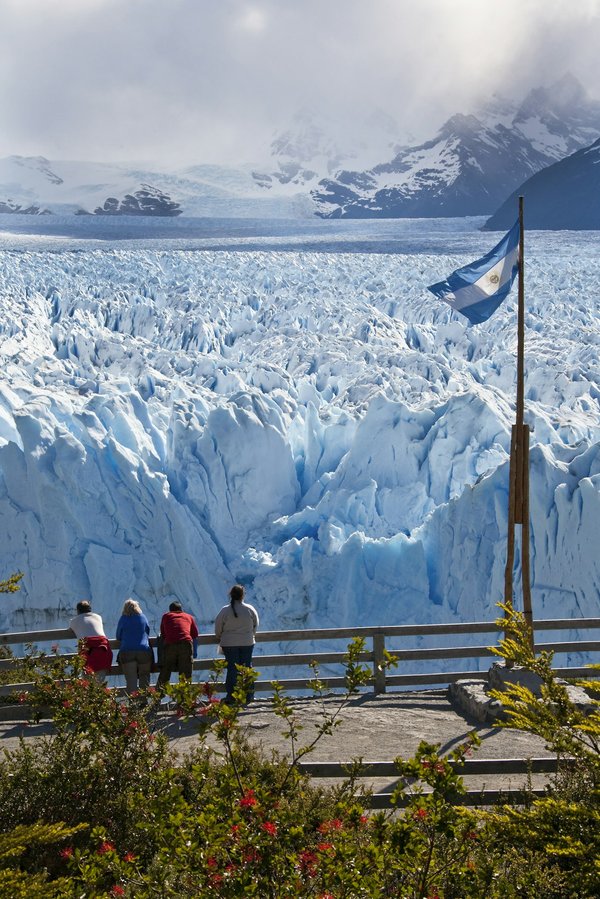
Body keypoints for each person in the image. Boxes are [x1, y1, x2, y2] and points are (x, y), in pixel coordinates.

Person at [214, 585, 259, 704]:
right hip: (247, 642)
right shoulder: (249, 609)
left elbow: (218, 627)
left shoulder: (225, 610)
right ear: (243, 595)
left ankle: (232, 696)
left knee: (232, 669)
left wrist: (221, 637)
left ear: (231, 595)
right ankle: (248, 695)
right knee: (247, 668)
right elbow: (255, 624)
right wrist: (249, 635)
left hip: (229, 644)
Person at [156, 601, 199, 688]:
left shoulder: (166, 616)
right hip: (186, 644)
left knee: (166, 671)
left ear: (170, 610)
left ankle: (158, 696)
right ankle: (184, 698)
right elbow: (195, 634)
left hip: (170, 645)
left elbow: (163, 634)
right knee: (185, 673)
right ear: (181, 610)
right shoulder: (189, 617)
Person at [115, 598, 154, 694]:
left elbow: (118, 636)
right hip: (144, 651)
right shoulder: (143, 617)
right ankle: (143, 702)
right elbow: (147, 632)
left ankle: (133, 704)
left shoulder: (123, 619)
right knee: (144, 677)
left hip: (127, 651)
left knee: (131, 679)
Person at [69, 600, 113, 681]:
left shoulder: (74, 621)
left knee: (87, 684)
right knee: (99, 684)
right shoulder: (98, 617)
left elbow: (72, 628)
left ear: (78, 611)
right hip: (103, 650)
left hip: (88, 651)